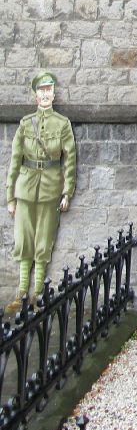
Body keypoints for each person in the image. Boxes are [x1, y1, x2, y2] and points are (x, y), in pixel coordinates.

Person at [5, 71, 76, 311]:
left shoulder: (62, 124)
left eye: (49, 90)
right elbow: (15, 160)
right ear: (35, 94)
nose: (45, 95)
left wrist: (67, 192)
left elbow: (70, 159)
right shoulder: (26, 124)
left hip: (50, 188)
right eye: (41, 91)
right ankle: (22, 292)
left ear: (54, 94)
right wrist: (10, 196)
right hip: (25, 188)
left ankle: (37, 293)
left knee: (44, 241)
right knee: (24, 239)